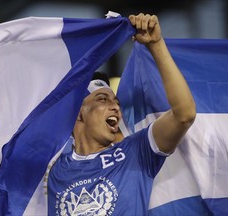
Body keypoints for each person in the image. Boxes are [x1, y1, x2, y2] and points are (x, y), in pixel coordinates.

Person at [47, 13, 196, 215]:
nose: (116, 107)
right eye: (102, 99)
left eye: (116, 102)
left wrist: (156, 44)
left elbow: (184, 114)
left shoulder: (136, 152)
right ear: (78, 113)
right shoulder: (52, 171)